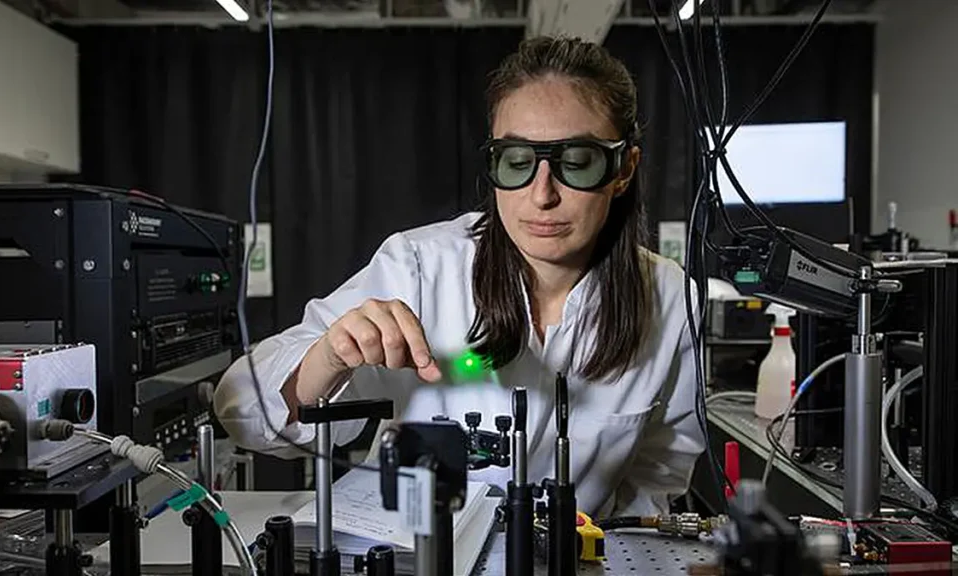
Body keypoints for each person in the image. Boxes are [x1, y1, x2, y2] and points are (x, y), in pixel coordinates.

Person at [215, 35, 704, 517]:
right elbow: (241, 409)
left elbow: (659, 471)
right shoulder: (419, 266)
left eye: (576, 162)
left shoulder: (671, 302)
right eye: (516, 162)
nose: (541, 195)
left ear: (623, 168)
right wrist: (328, 358)